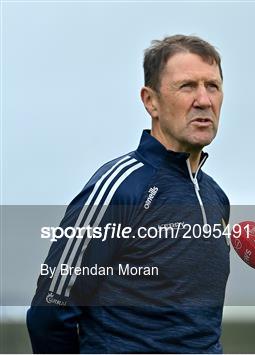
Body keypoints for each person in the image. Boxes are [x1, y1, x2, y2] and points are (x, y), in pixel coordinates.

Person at [26, 34, 231, 353]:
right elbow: (50, 313)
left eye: (213, 86)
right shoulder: (119, 188)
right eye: (187, 86)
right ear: (151, 101)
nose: (204, 100)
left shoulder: (216, 198)